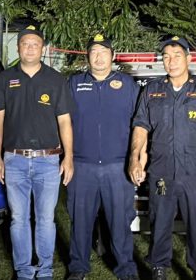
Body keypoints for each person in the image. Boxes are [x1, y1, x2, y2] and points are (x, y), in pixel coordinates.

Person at [128, 36, 196, 280]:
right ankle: (159, 268)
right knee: (160, 221)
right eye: (166, 57)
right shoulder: (152, 90)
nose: (171, 61)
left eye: (177, 56)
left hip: (195, 173)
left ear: (188, 58)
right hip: (161, 172)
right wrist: (135, 158)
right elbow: (140, 126)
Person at [0, 25, 74, 280]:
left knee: (45, 219)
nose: (30, 48)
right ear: (18, 47)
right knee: (18, 219)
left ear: (43, 48)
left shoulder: (56, 80)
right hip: (14, 160)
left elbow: (64, 121)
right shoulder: (4, 79)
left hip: (48, 161)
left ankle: (45, 271)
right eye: (25, 44)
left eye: (35, 44)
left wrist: (69, 157)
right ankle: (24, 271)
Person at [67, 34, 140, 280]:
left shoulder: (128, 85)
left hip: (118, 166)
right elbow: (63, 122)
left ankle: (126, 268)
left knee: (120, 221)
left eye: (104, 52)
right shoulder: (74, 84)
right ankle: (78, 268)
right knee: (80, 221)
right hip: (82, 165)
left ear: (113, 55)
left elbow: (140, 125)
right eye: (94, 52)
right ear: (87, 56)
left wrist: (137, 158)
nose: (99, 57)